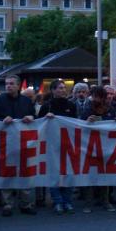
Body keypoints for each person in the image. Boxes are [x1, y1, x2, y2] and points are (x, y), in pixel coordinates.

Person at [0, 75, 37, 216]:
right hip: (6, 144)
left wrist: (31, 118)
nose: (8, 86)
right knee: (7, 174)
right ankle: (7, 204)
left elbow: (34, 117)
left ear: (18, 86)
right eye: (6, 84)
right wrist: (1, 120)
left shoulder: (27, 101)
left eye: (11, 84)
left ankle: (26, 204)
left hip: (24, 145)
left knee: (25, 174)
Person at [80, 86, 116, 213]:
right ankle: (88, 203)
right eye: (93, 96)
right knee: (90, 176)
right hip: (90, 146)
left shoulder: (111, 108)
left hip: (106, 147)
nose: (95, 98)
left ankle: (106, 201)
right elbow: (79, 125)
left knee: (105, 175)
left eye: (97, 96)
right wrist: (86, 121)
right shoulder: (87, 109)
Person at [38, 79, 78, 214]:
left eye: (63, 88)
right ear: (53, 90)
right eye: (59, 88)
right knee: (54, 174)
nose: (62, 90)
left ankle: (68, 201)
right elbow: (38, 126)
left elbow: (76, 123)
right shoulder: (46, 107)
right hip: (52, 145)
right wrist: (45, 118)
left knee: (68, 173)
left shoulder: (71, 106)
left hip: (67, 145)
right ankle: (58, 201)